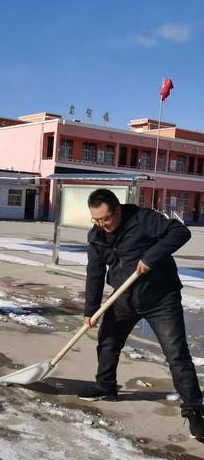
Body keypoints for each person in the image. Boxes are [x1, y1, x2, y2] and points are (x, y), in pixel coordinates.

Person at [78, 188, 204, 441]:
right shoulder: (97, 237)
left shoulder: (143, 219)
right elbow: (94, 273)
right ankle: (106, 386)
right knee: (108, 342)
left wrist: (151, 257)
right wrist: (91, 311)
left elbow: (181, 232)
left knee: (176, 354)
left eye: (106, 219)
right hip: (123, 299)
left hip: (161, 299)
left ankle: (194, 410)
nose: (103, 225)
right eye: (97, 220)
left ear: (118, 210)